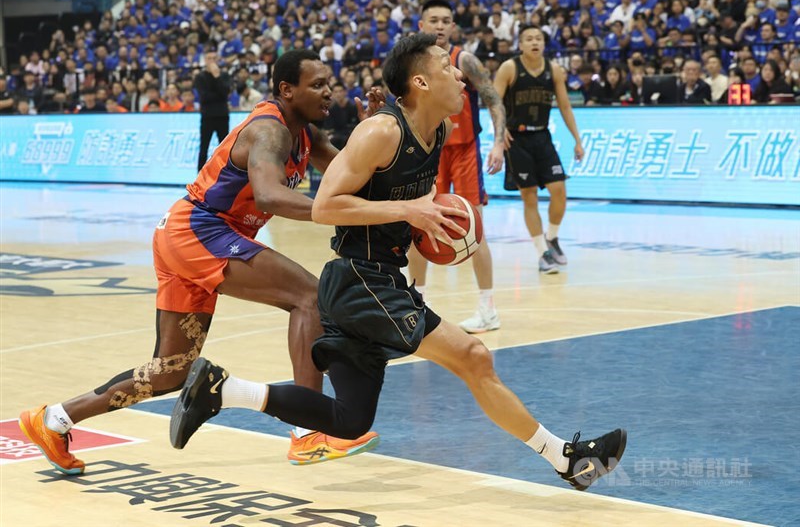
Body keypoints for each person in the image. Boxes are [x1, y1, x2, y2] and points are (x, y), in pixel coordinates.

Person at [171, 33, 627, 492]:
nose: (459, 75)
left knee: (348, 421)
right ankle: (566, 459)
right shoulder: (382, 131)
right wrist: (409, 211)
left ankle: (221, 390)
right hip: (360, 279)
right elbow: (327, 205)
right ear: (421, 82)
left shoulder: (440, 131)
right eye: (447, 69)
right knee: (473, 356)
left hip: (373, 281)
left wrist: (428, 226)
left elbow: (393, 197)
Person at [18, 50, 385, 476]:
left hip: (183, 233)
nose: (329, 91)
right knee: (308, 296)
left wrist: (368, 133)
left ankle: (53, 420)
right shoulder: (270, 131)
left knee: (170, 373)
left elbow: (352, 176)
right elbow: (268, 196)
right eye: (317, 84)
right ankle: (308, 432)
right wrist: (332, 212)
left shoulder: (308, 136)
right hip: (201, 230)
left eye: (329, 83)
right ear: (287, 89)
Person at [410, 0, 507, 334]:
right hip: (428, 152)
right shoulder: (413, 63)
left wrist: (498, 141)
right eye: (433, 20)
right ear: (421, 25)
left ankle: (487, 309)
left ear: (453, 26)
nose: (440, 26)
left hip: (464, 151)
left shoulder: (464, 59)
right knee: (418, 229)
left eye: (446, 20)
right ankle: (417, 305)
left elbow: (493, 97)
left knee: (475, 229)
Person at [494, 25, 585, 274]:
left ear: (544, 44)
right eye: (529, 39)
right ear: (520, 44)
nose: (534, 42)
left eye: (539, 39)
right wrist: (501, 133)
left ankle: (552, 237)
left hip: (542, 135)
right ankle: (542, 253)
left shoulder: (553, 69)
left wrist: (577, 139)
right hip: (517, 139)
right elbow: (494, 102)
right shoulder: (510, 68)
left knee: (559, 190)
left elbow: (565, 107)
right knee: (529, 195)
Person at [194, 50, 232, 171]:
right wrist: (219, 95)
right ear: (205, 60)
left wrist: (217, 77)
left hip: (222, 116)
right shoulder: (200, 77)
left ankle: (226, 175)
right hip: (207, 116)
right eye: (209, 58)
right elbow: (204, 97)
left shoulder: (224, 75)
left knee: (225, 148)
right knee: (204, 147)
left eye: (214, 58)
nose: (212, 61)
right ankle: (199, 178)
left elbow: (225, 92)